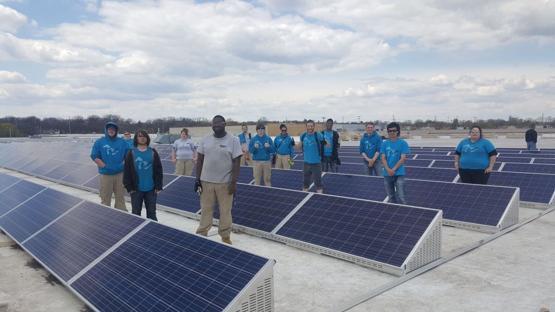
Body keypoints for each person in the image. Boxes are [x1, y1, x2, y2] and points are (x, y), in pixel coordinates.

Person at [195, 115, 242, 245]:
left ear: (224, 124)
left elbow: (236, 162)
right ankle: (202, 233)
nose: (216, 126)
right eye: (213, 124)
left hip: (225, 183)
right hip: (206, 182)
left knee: (225, 211)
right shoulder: (205, 139)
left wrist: (234, 182)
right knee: (206, 209)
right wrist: (197, 179)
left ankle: (225, 236)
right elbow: (199, 160)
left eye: (218, 123)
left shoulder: (233, 140)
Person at [123, 130, 163, 221]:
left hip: (151, 189)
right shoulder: (131, 152)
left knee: (152, 213)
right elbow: (127, 171)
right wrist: (129, 188)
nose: (142, 138)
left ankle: (153, 232)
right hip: (136, 189)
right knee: (136, 213)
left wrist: (158, 186)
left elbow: (158, 170)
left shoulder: (153, 152)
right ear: (136, 138)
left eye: (144, 136)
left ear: (147, 138)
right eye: (140, 136)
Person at [90, 121, 128, 211]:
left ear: (116, 131)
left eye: (113, 129)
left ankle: (121, 214)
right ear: (106, 130)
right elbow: (94, 156)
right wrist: (104, 166)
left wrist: (122, 165)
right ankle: (105, 214)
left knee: (120, 197)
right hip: (106, 174)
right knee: (105, 198)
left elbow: (129, 155)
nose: (111, 130)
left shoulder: (122, 142)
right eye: (109, 129)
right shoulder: (100, 142)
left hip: (120, 174)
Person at [380, 122, 410, 204]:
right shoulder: (384, 143)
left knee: (401, 196)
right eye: (390, 131)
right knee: (391, 196)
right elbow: (383, 158)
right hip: (387, 173)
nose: (392, 132)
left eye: (394, 130)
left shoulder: (403, 143)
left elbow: (403, 158)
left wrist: (393, 169)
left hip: (399, 172)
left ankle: (404, 210)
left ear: (397, 131)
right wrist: (388, 169)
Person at [298, 120, 325, 193]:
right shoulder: (303, 135)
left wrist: (329, 144)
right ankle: (304, 193)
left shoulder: (318, 135)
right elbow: (299, 147)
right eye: (308, 126)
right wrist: (296, 145)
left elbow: (325, 143)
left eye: (311, 126)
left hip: (316, 163)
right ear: (306, 127)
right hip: (306, 163)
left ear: (314, 126)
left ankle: (320, 196)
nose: (310, 127)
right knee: (305, 183)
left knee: (318, 182)